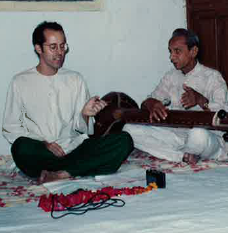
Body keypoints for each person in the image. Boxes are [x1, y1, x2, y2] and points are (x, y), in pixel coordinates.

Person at [2, 21, 133, 183]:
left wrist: (85, 114)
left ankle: (61, 174)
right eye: (53, 47)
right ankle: (78, 168)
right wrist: (44, 144)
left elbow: (84, 130)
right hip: (42, 153)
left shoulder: (75, 79)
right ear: (38, 48)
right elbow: (10, 127)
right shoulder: (20, 82)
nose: (59, 53)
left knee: (124, 140)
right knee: (20, 147)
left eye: (62, 46)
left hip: (73, 148)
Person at [123, 28, 228, 165]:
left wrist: (200, 101)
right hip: (176, 135)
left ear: (193, 52)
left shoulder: (213, 77)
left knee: (198, 135)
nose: (171, 57)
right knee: (128, 129)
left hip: (207, 137)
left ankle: (189, 152)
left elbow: (227, 114)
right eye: (170, 51)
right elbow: (148, 101)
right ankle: (180, 156)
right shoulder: (171, 76)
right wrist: (151, 103)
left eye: (177, 51)